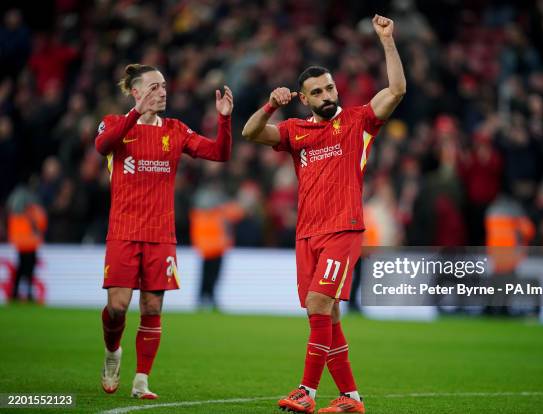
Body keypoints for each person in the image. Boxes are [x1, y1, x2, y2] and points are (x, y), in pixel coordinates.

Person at [242, 14, 405, 414]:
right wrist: (270, 105)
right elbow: (250, 132)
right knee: (327, 314)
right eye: (317, 92)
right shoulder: (295, 131)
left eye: (330, 87)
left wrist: (387, 40)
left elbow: (397, 90)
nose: (327, 95)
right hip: (307, 234)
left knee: (318, 303)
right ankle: (351, 397)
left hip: (342, 229)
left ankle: (307, 391)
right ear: (305, 99)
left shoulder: (358, 120)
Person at [94, 64, 233, 399]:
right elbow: (102, 145)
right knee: (117, 306)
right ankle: (113, 352)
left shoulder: (175, 129)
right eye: (154, 87)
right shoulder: (114, 123)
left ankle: (141, 380)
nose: (162, 92)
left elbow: (220, 153)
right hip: (124, 231)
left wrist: (224, 119)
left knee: (152, 307)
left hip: (161, 235)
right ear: (136, 92)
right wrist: (135, 113)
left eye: (164, 86)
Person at [7, 184, 47, 302]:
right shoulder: (34, 211)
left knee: (22, 269)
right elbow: (41, 226)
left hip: (23, 244)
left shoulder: (17, 212)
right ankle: (25, 293)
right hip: (30, 244)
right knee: (27, 270)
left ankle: (16, 293)